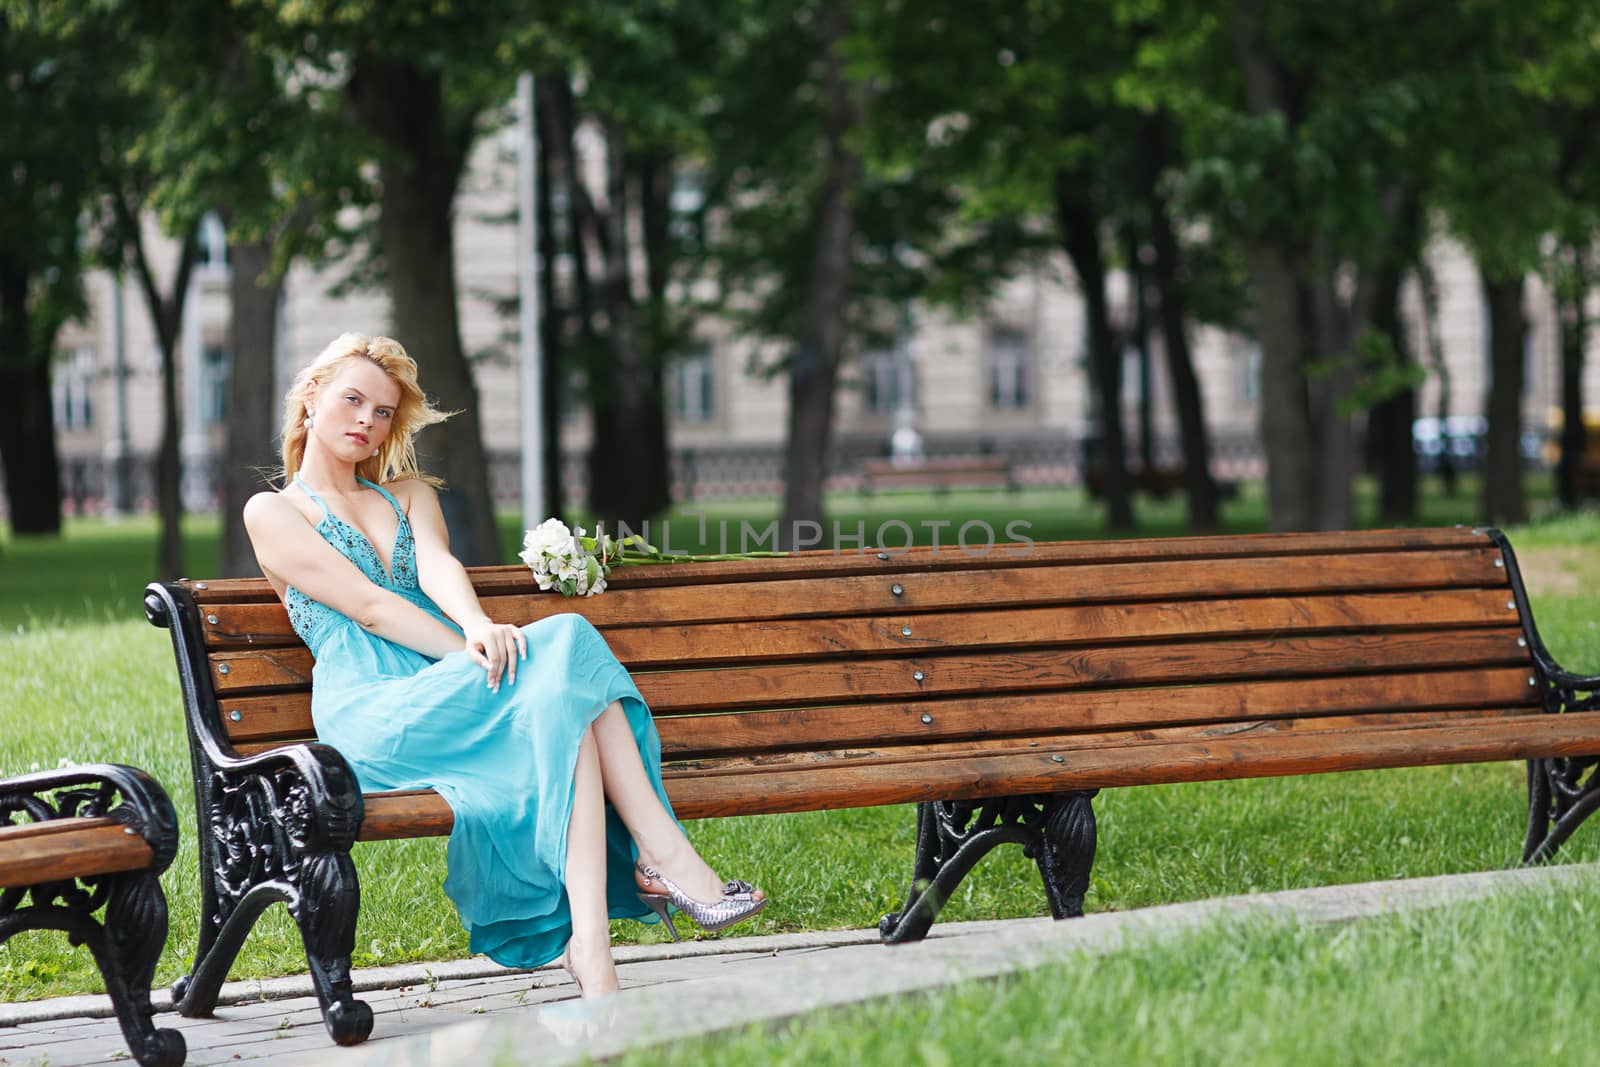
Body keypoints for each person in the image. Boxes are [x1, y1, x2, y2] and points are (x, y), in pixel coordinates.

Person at [242, 333, 765, 1000]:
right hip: (371, 714)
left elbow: (436, 566)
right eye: (353, 400)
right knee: (567, 646)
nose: (366, 422)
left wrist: (480, 624)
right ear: (311, 396)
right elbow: (370, 606)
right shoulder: (273, 511)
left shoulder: (409, 495)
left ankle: (594, 954)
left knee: (564, 704)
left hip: (450, 689)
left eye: (382, 412)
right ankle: (663, 857)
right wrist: (468, 650)